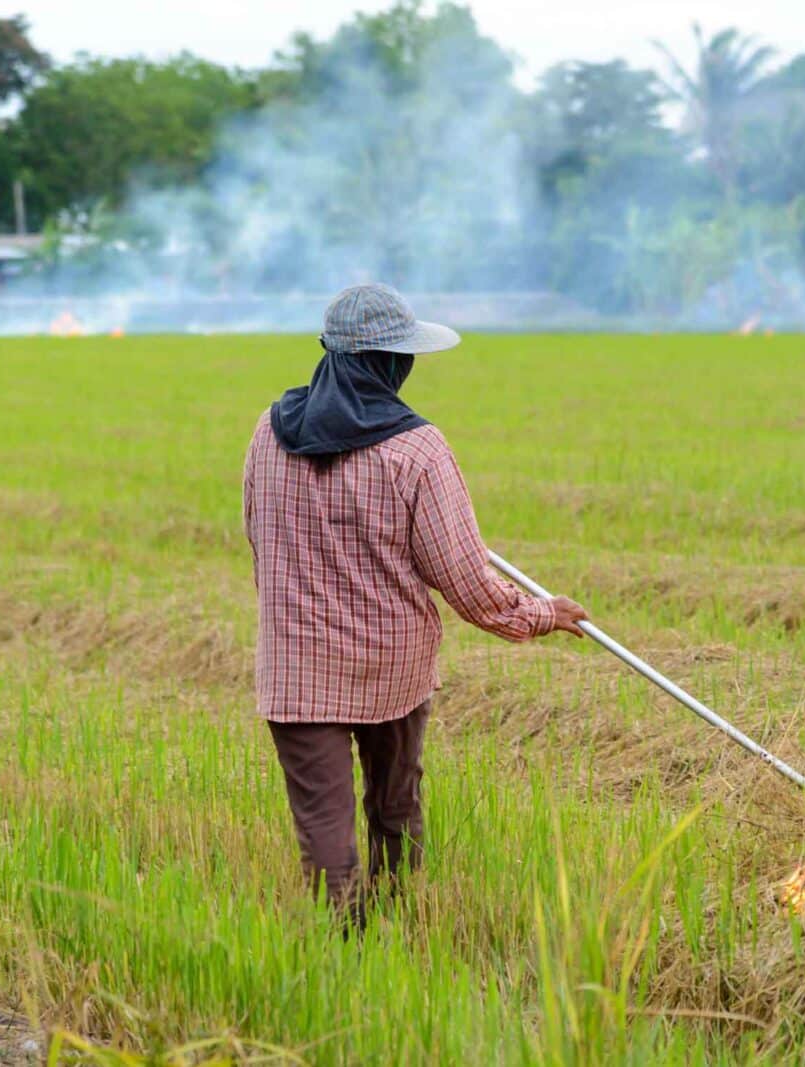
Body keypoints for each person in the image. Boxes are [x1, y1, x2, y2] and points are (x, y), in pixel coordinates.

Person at [243, 283, 587, 924]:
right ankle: (401, 919)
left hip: (296, 666)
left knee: (323, 823)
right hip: (390, 666)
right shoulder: (416, 448)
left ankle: (341, 945)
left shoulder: (270, 431)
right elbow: (464, 578)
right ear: (389, 363)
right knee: (395, 804)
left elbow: (260, 536)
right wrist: (541, 613)